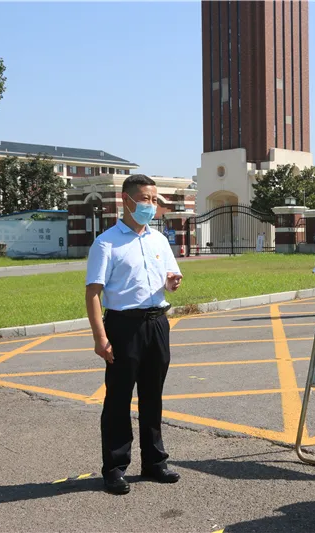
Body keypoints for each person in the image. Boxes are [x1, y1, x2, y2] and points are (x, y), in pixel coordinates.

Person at [85, 174, 184, 495]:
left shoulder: (158, 240)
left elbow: (170, 278)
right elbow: (93, 294)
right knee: (118, 398)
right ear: (126, 201)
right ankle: (114, 467)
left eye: (154, 200)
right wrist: (101, 339)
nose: (150, 206)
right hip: (124, 327)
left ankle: (154, 462)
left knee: (153, 395)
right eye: (145, 199)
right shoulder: (106, 242)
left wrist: (172, 282)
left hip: (157, 323)